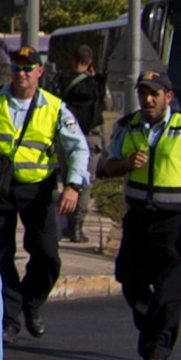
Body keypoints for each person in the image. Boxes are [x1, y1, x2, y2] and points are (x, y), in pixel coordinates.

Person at [97, 71, 181, 360]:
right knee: (129, 279)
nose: (148, 99)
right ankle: (151, 326)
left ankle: (157, 350)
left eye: (154, 94)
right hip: (139, 218)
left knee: (170, 291)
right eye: (143, 93)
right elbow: (108, 166)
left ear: (168, 96)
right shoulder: (128, 127)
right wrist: (126, 164)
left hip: (178, 221)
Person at [0, 45, 88, 337]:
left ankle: (31, 302)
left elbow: (78, 148)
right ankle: (9, 319)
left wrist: (73, 186)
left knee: (48, 255)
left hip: (37, 190)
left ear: (40, 71)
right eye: (16, 67)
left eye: (28, 67)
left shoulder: (54, 106)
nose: (21, 73)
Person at [57, 43, 109, 240]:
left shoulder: (61, 81)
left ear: (72, 59)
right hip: (90, 137)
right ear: (89, 63)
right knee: (85, 182)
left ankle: (69, 224)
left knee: (68, 179)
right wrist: (94, 78)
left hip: (67, 136)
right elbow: (108, 104)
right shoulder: (96, 84)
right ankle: (77, 227)